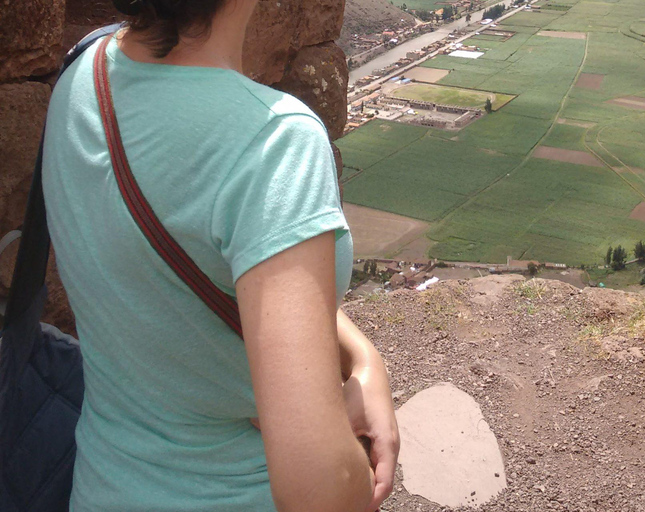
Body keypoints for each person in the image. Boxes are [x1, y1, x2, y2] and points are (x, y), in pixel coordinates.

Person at [41, 0, 399, 510]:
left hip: (103, 486)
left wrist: (364, 360)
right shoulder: (273, 143)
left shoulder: (85, 69)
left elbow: (182, 276)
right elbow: (319, 492)